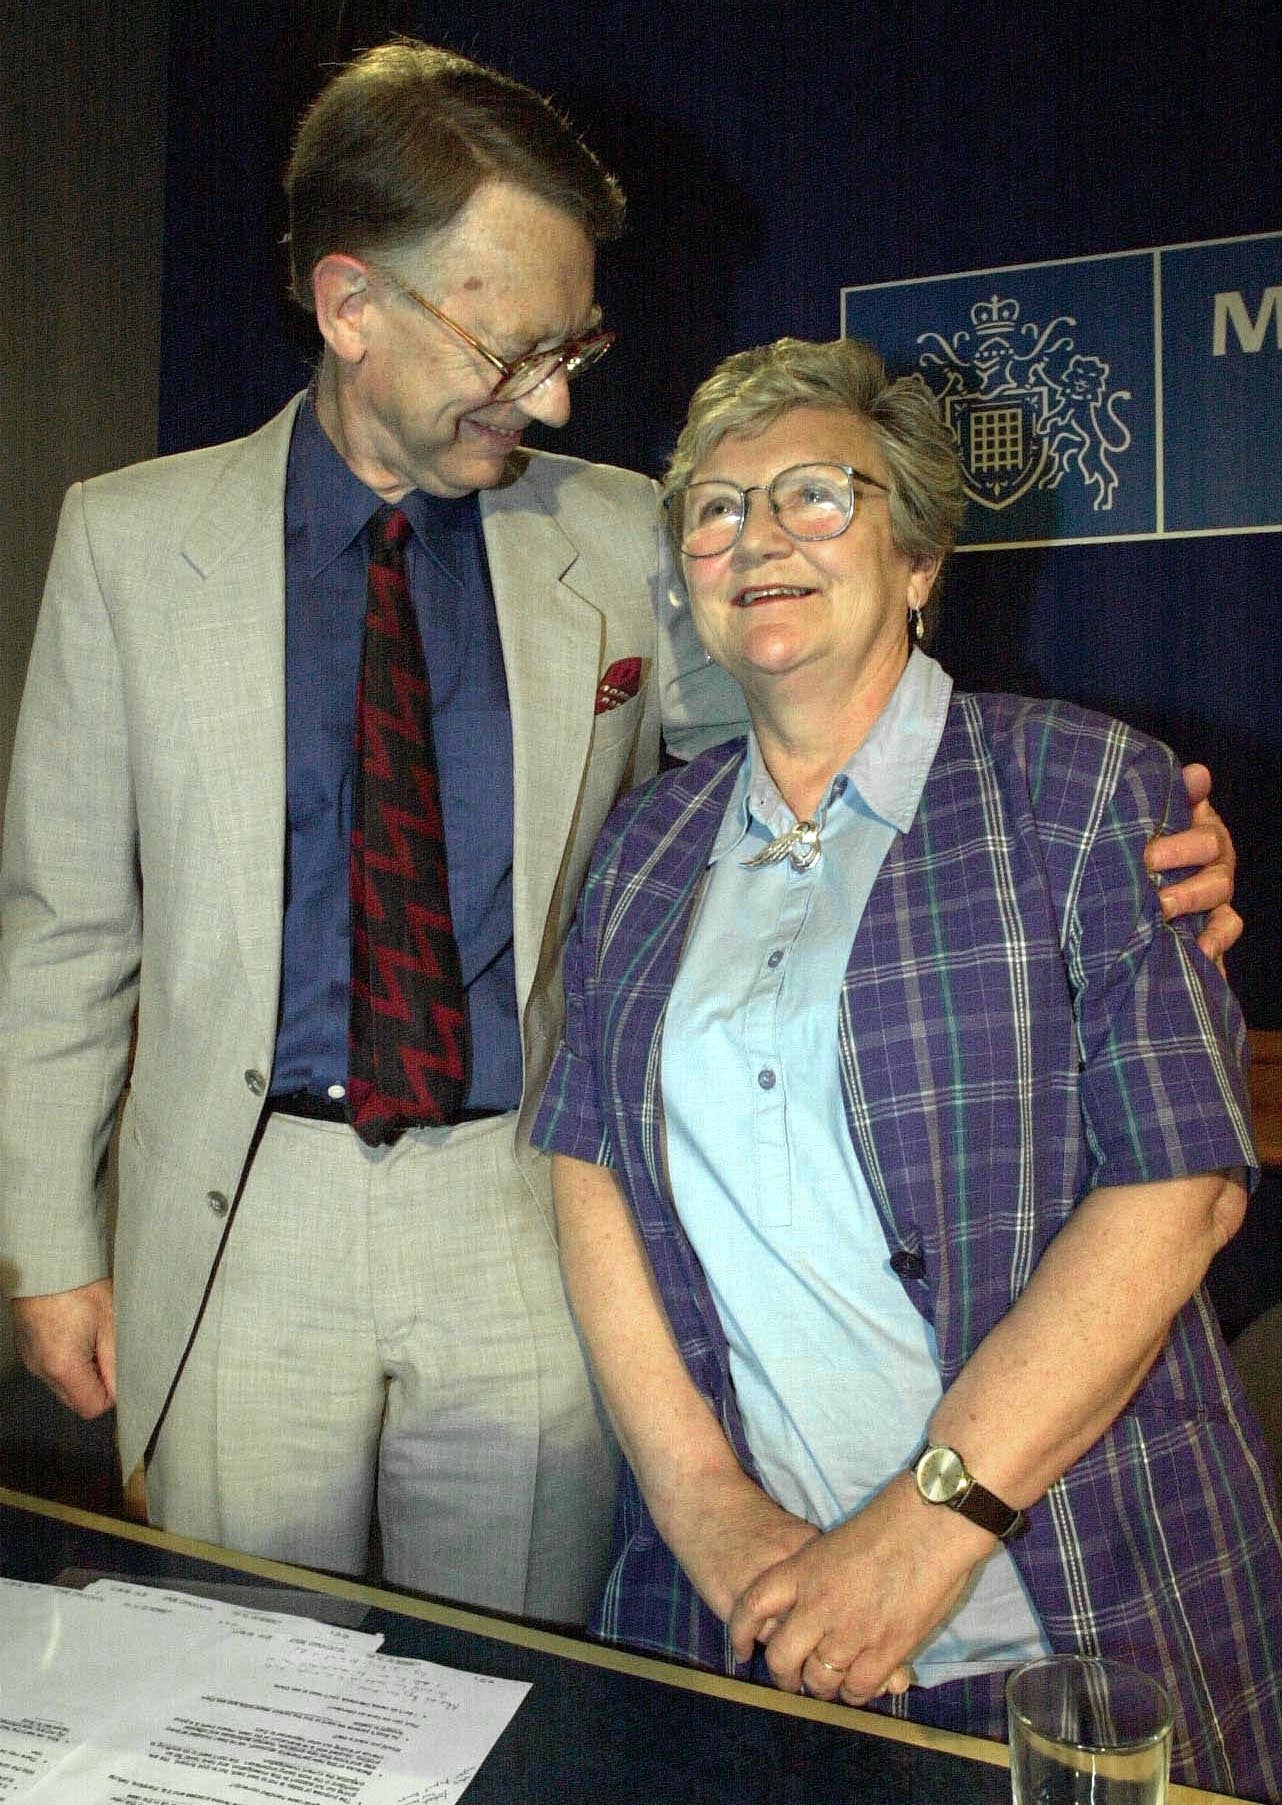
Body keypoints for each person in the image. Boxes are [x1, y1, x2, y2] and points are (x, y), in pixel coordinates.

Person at [0, 42, 1237, 1621]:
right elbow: (66, 927)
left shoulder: (617, 533)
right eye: (515, 352)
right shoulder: (126, 540)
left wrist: (1145, 860)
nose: (561, 396)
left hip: (529, 1213)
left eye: (571, 344)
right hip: (244, 1220)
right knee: (245, 1693)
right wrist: (48, 1241)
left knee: (524, 1681)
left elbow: (816, 754)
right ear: (350, 307)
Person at [534, 335, 1281, 1796]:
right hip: (746, 1609)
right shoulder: (640, 848)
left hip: (1069, 1608)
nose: (756, 537)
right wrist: (716, 1521)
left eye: (816, 497)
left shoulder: (1081, 792)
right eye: (714, 510)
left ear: (921, 553)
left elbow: (1182, 1190)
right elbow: (588, 1171)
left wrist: (921, 1531)